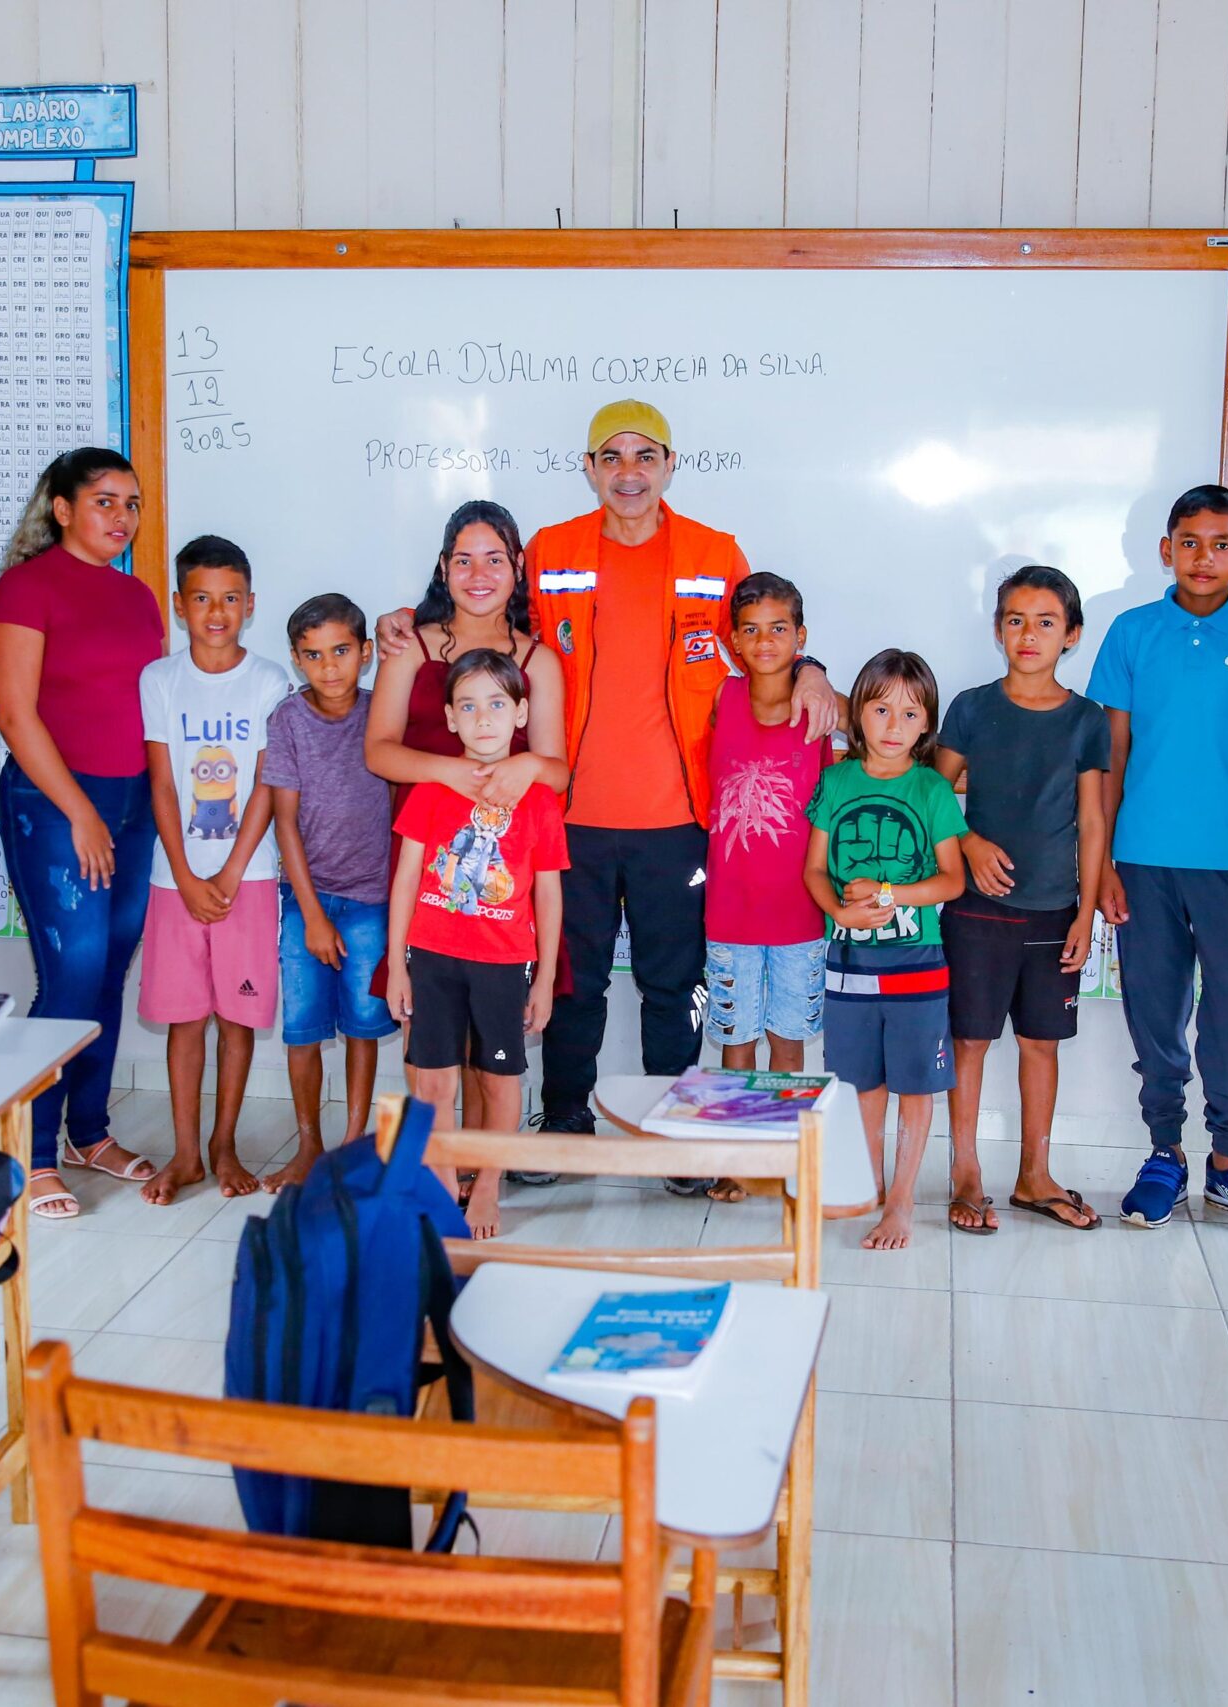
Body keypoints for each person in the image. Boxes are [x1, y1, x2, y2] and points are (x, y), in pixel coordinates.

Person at [375, 402, 838, 1161]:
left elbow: (765, 636)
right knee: (573, 983)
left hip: (679, 820)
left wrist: (813, 668)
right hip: (568, 819)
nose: (629, 472)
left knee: (674, 988)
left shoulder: (712, 552)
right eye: (611, 457)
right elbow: (484, 610)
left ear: (670, 465)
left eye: (645, 455)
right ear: (588, 469)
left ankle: (675, 1137)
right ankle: (565, 1121)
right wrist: (403, 616)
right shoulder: (552, 549)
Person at [1088, 485, 1228, 1232]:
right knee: (1155, 1014)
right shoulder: (1132, 633)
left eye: (1221, 544)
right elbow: (1113, 754)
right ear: (1167, 550)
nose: (1204, 557)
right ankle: (1164, 1153)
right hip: (1142, 863)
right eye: (1190, 542)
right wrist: (1105, 863)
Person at [0, 448, 164, 1219]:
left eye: (132, 503)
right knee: (71, 974)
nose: (122, 516)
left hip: (133, 803)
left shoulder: (138, 596)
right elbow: (14, 713)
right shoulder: (28, 587)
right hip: (56, 801)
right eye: (104, 501)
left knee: (109, 968)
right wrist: (80, 811)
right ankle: (32, 1153)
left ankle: (89, 1131)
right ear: (61, 509)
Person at [363, 500, 568, 1144]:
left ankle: (480, 1169)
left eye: (495, 559)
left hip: (505, 870)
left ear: (518, 567)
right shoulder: (410, 645)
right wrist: (449, 772)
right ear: (443, 567)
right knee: (428, 1030)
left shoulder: (538, 660)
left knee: (492, 1037)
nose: (479, 574)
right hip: (425, 853)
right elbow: (378, 752)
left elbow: (559, 771)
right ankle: (435, 1169)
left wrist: (527, 764)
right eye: (463, 560)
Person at [932, 565, 1109, 1235]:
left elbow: (1092, 821)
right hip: (977, 912)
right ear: (998, 629)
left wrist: (1085, 913)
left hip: (1054, 911)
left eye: (1045, 622)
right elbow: (930, 792)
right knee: (969, 1041)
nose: (1028, 635)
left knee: (1041, 1043)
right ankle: (966, 1174)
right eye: (1015, 620)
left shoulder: (1087, 719)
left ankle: (1035, 1174)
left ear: (1072, 634)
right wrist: (968, 840)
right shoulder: (972, 707)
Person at [385, 649, 569, 1239]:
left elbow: (548, 895)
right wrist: (397, 968)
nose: (483, 718)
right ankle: (443, 1188)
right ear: (450, 717)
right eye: (468, 706)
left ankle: (487, 1186)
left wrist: (544, 979)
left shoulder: (538, 799)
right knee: (433, 1081)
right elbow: (406, 880)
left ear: (521, 714)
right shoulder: (432, 789)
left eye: (496, 704)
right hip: (432, 957)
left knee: (498, 1079)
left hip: (503, 962)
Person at [136, 534, 294, 1203]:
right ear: (179, 605)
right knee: (184, 1019)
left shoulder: (269, 681)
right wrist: (185, 872)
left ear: (250, 605)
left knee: (237, 1018)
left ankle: (223, 1145)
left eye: (231, 598)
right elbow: (163, 785)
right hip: (173, 880)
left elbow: (265, 784)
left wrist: (228, 874)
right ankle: (185, 1153)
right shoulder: (159, 680)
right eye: (201, 598)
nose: (217, 612)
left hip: (247, 880)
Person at [803, 650, 968, 1251]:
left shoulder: (932, 789)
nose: (894, 726)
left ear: (927, 724)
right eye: (880, 710)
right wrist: (840, 911)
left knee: (916, 1085)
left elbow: (953, 881)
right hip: (848, 963)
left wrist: (890, 893)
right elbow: (814, 869)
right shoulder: (836, 780)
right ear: (858, 716)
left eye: (910, 713)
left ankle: (902, 1200)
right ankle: (870, 1184)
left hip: (916, 964)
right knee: (863, 1082)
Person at [701, 571, 832, 1203]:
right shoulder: (721, 695)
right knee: (737, 1040)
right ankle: (737, 1160)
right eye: (750, 631)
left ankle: (784, 1160)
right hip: (730, 910)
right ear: (733, 640)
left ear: (801, 637)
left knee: (788, 1041)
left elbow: (876, 714)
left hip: (799, 912)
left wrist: (817, 673)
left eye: (779, 629)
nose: (765, 642)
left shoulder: (820, 710)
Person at [264, 593, 398, 1189]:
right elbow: (284, 822)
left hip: (372, 900)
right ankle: (309, 1145)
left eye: (341, 651)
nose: (329, 666)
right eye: (313, 655)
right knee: (303, 1029)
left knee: (364, 1025)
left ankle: (352, 1143)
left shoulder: (382, 714)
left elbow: (395, 802)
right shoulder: (288, 721)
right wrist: (313, 914)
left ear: (365, 653)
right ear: (297, 659)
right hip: (306, 900)